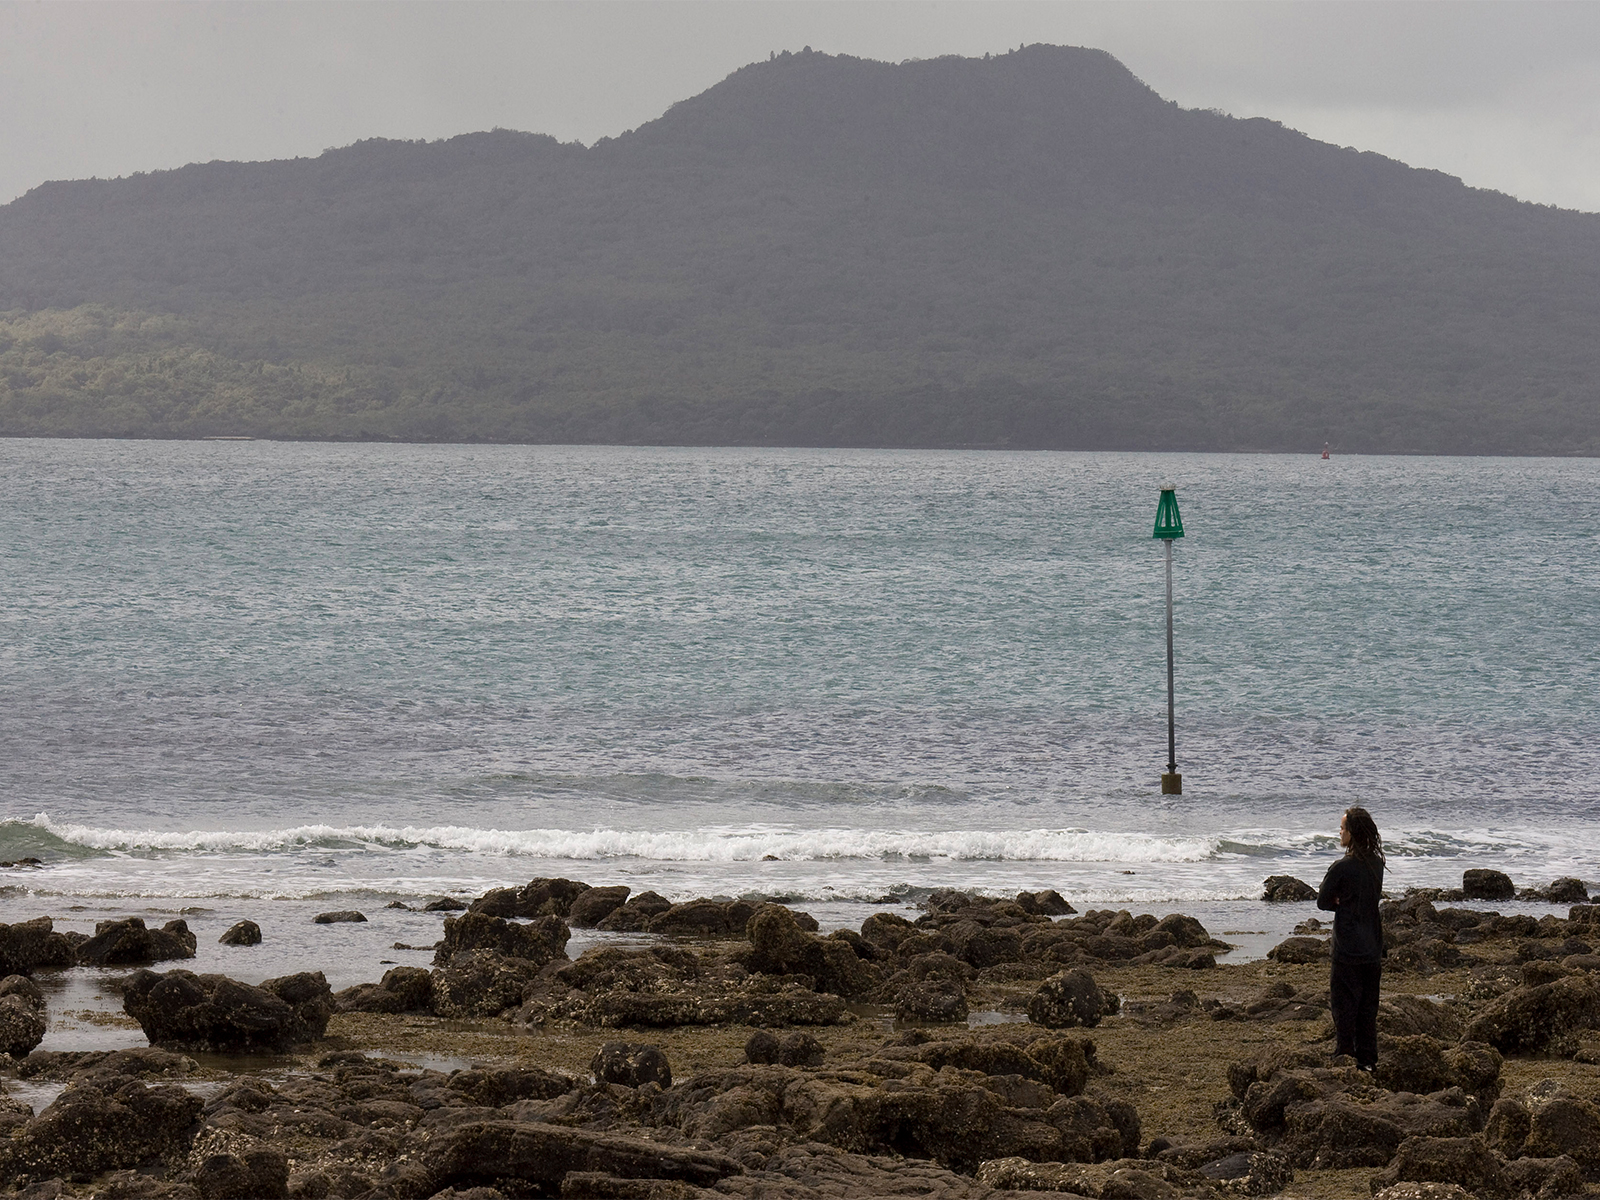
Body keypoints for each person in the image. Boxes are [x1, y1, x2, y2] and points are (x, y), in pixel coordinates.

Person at [1317, 806, 1385, 1071]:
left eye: (1343, 828)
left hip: (1347, 947)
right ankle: (1368, 1061)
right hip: (1372, 945)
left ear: (1352, 833)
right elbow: (1370, 899)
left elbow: (1323, 901)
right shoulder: (1376, 864)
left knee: (1344, 1007)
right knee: (1368, 1008)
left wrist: (1341, 903)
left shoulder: (1342, 867)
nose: (1340, 832)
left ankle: (1345, 1057)